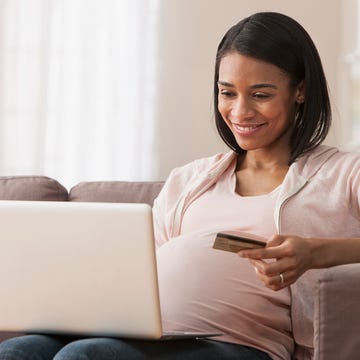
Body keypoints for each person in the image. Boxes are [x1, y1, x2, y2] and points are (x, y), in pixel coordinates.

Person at [0, 11, 359, 360]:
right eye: (227, 93)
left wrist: (316, 252)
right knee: (17, 350)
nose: (240, 111)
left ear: (300, 91)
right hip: (153, 336)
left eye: (260, 95)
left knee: (86, 356)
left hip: (245, 344)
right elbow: (137, 275)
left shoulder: (343, 174)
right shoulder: (188, 180)